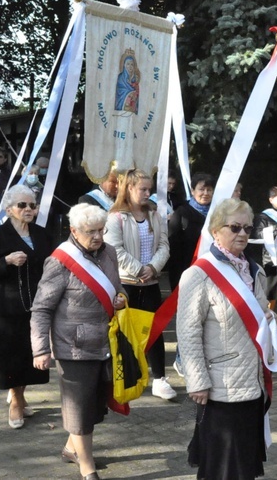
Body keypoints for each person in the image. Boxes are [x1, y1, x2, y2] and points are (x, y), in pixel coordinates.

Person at [177, 198, 276, 480]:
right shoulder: (198, 275)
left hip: (252, 381)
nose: (243, 234)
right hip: (220, 385)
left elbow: (259, 315)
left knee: (243, 464)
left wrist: (270, 321)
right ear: (216, 230)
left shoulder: (252, 269)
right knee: (220, 466)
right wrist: (197, 382)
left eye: (247, 227)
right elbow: (187, 332)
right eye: (234, 227)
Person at [30, 203, 125, 480]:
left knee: (95, 405)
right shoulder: (59, 261)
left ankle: (72, 448)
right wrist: (41, 349)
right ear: (73, 230)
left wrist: (121, 299)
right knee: (79, 409)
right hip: (73, 347)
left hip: (106, 343)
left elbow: (117, 288)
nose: (97, 237)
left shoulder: (109, 253)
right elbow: (41, 309)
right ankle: (87, 467)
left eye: (101, 230)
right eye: (90, 231)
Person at [0, 186, 53, 429]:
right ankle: (16, 402)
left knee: (33, 355)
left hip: (39, 305)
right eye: (22, 205)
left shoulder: (42, 234)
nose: (29, 209)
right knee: (12, 357)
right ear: (9, 209)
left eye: (32, 205)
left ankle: (19, 395)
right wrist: (6, 261)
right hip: (9, 306)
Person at [104, 169, 175, 400]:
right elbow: (114, 249)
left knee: (154, 331)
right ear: (129, 189)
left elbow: (164, 245)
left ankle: (160, 379)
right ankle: (126, 377)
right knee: (125, 331)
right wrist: (138, 269)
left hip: (150, 282)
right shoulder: (115, 217)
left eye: (149, 189)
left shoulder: (155, 214)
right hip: (127, 283)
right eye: (143, 189)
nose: (148, 193)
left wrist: (152, 268)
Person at [167, 172, 215, 290]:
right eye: (201, 189)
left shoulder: (217, 213)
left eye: (209, 190)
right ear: (193, 191)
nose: (205, 193)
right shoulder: (182, 213)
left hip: (212, 271)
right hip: (185, 272)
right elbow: (172, 246)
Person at [251, 186, 277, 310]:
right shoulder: (263, 217)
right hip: (270, 260)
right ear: (271, 199)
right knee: (270, 292)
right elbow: (258, 234)